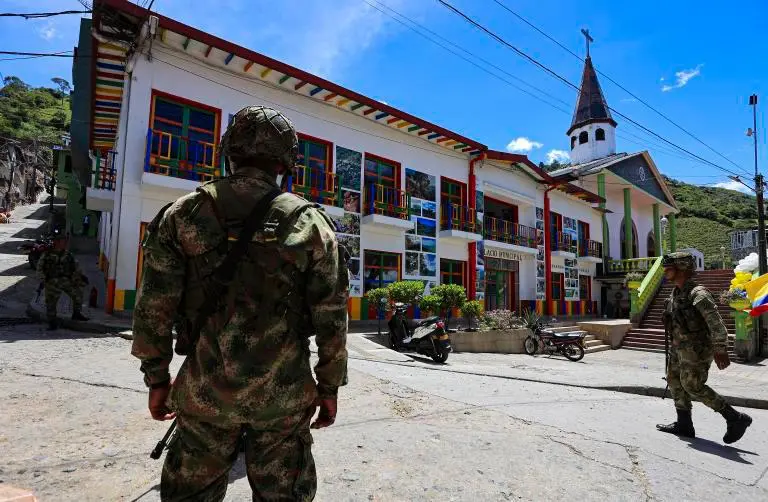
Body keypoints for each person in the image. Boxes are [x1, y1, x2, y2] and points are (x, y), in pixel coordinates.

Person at [131, 105, 349, 501]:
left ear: (228, 150)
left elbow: (154, 309)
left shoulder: (184, 214)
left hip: (204, 395)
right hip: (283, 401)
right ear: (287, 161)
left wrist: (157, 378)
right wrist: (330, 387)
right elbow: (332, 318)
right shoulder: (312, 224)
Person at [656, 252, 752, 444]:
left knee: (693, 385)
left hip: (696, 350)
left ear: (682, 268)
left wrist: (720, 348)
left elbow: (716, 323)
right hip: (679, 348)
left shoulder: (698, 293)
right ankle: (684, 424)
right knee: (674, 381)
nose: (665, 271)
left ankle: (734, 417)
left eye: (669, 268)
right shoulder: (676, 292)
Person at [37, 234, 89, 330]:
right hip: (52, 281)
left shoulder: (68, 255)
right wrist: (43, 279)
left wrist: (79, 277)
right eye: (62, 241)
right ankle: (52, 322)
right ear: (56, 242)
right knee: (51, 303)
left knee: (78, 295)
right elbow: (40, 268)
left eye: (65, 241)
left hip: (66, 280)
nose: (65, 243)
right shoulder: (47, 254)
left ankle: (77, 314)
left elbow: (75, 267)